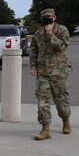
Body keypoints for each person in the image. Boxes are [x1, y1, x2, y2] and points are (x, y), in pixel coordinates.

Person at [29, 8, 72, 140]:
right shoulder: (37, 33)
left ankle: (65, 120)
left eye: (49, 16)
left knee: (61, 102)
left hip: (59, 72)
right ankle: (45, 129)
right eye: (44, 17)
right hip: (43, 72)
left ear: (54, 17)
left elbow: (62, 47)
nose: (47, 19)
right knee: (42, 101)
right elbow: (33, 51)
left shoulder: (62, 30)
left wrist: (50, 34)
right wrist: (33, 66)